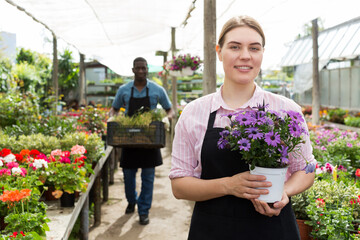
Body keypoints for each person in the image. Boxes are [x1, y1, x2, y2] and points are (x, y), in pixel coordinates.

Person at [169, 16, 316, 239]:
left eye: (254, 48)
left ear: (262, 54)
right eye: (235, 47)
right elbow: (179, 186)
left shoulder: (286, 109)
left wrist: (282, 191)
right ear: (219, 52)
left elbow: (307, 170)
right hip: (213, 230)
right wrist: (229, 185)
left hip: (273, 228)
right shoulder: (194, 113)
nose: (245, 56)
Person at [110, 57, 174, 225]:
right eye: (137, 68)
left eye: (143, 68)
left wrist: (165, 120)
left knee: (148, 178)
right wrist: (113, 120)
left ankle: (144, 210)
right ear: (133, 70)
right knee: (128, 176)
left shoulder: (157, 90)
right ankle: (132, 200)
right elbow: (114, 109)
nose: (140, 71)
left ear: (147, 69)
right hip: (128, 139)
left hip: (149, 139)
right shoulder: (124, 90)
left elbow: (170, 110)